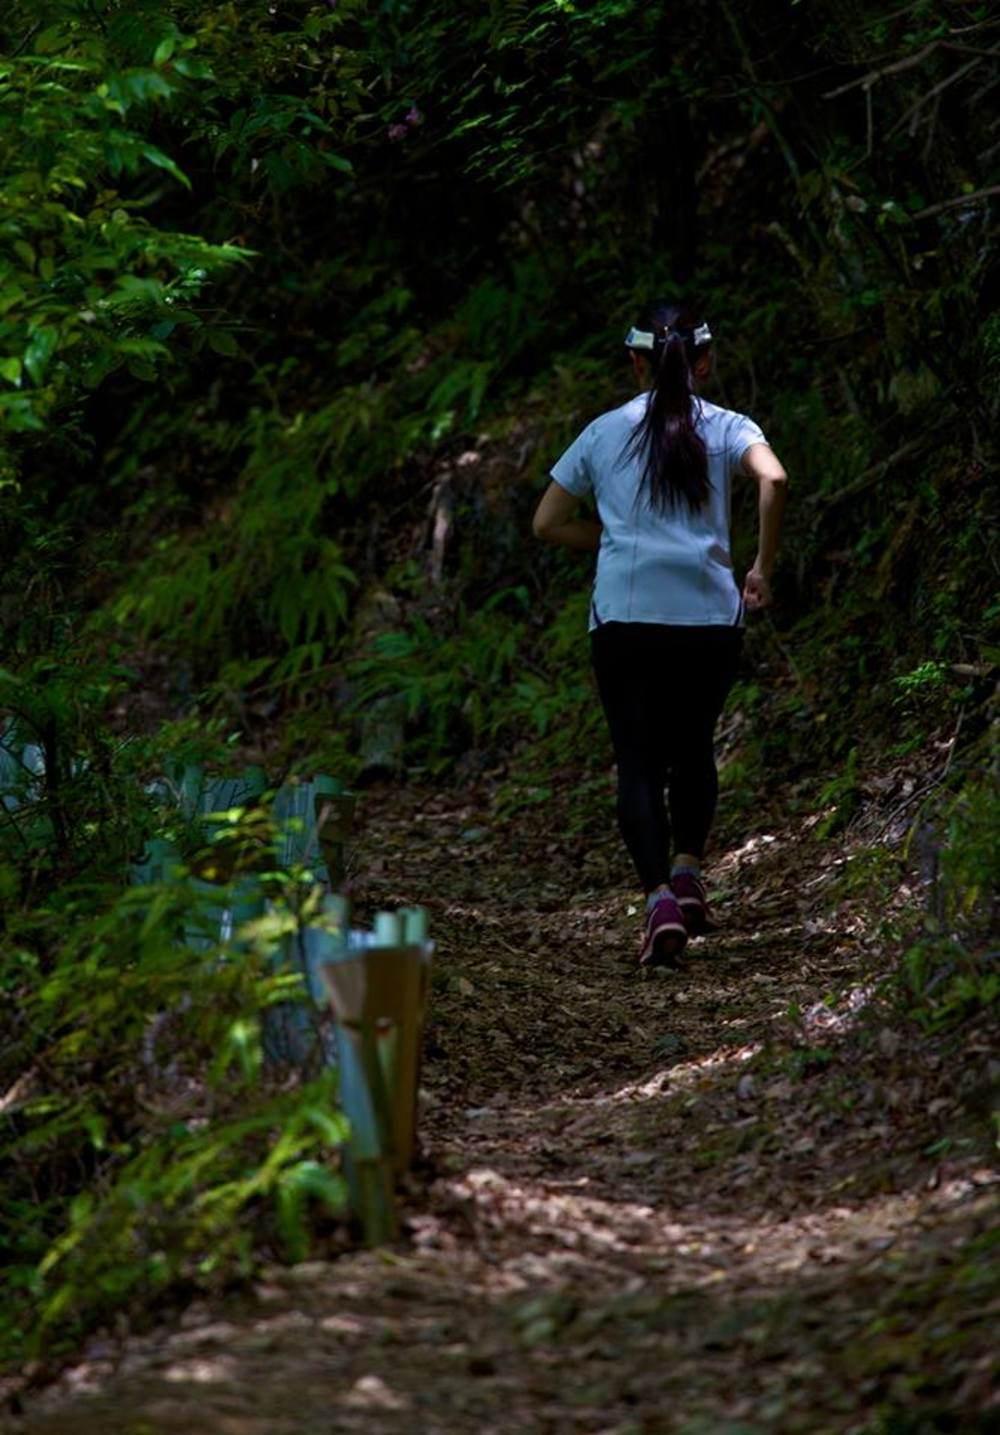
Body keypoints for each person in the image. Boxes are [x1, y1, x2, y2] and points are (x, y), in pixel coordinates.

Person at [532, 300, 787, 968]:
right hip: (708, 619)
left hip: (626, 619)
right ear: (704, 360)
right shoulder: (729, 426)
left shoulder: (603, 432)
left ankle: (659, 905)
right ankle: (688, 872)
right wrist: (761, 566)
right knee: (694, 744)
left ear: (636, 362)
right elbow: (774, 477)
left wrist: (613, 538)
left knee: (638, 759)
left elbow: (547, 521)